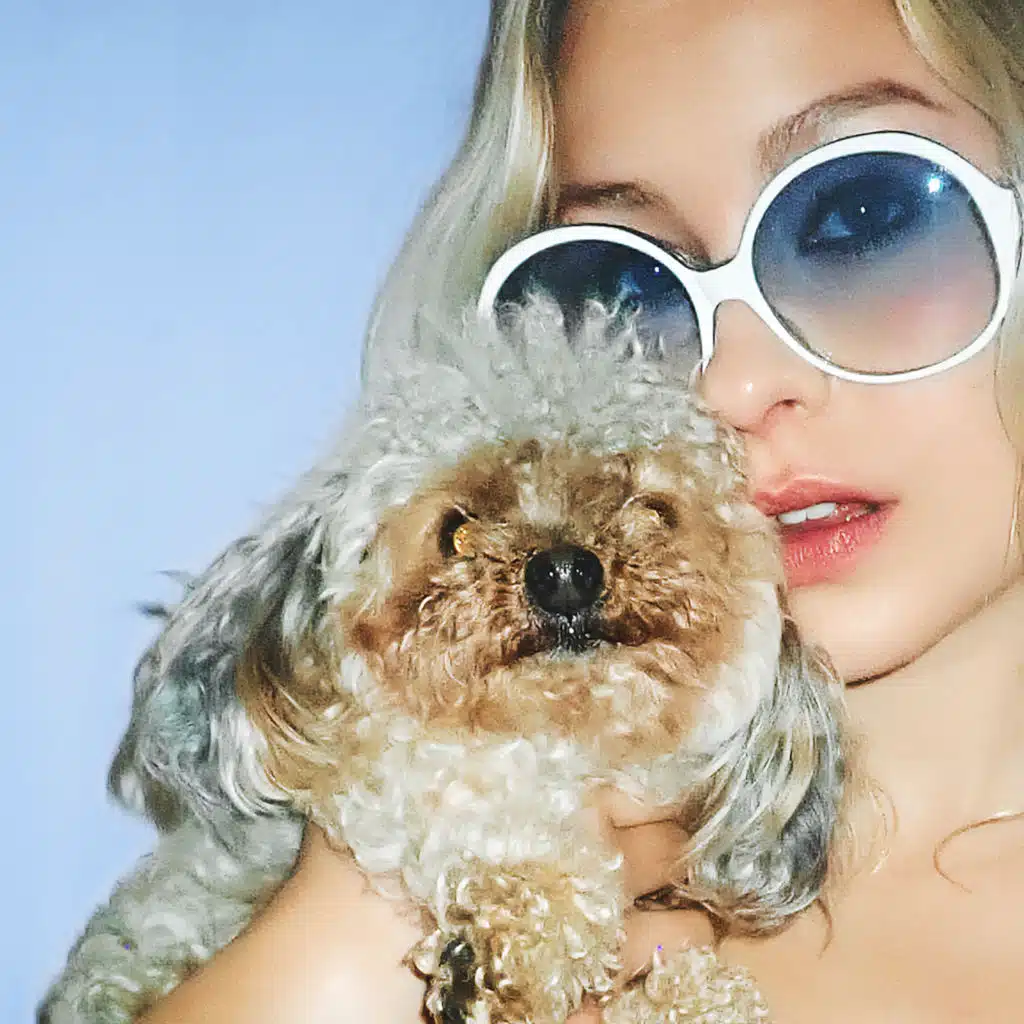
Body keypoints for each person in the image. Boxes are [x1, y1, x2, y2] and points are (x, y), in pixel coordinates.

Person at [138, 0, 1024, 1021]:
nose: (732, 384)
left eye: (863, 216)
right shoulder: (409, 915)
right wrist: (348, 955)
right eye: (624, 283)